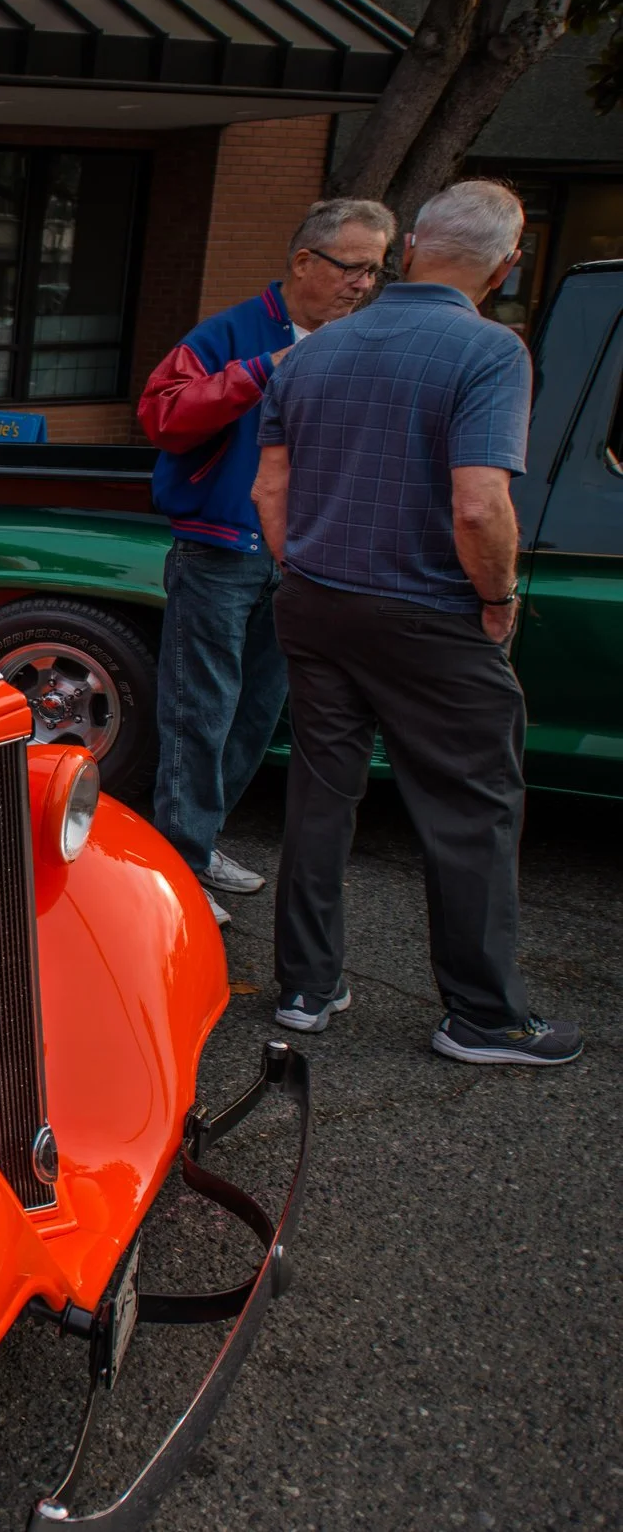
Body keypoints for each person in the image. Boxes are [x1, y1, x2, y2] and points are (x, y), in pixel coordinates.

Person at [250, 180, 580, 1065]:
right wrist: (499, 601)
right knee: (471, 806)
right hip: (428, 608)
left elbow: (268, 490)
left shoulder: (312, 353)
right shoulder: (491, 352)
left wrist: (302, 571)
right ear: (507, 264)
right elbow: (479, 507)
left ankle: (306, 989)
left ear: (407, 250)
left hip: (314, 600)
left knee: (322, 790)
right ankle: (482, 1016)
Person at [137, 198, 396, 926]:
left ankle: (200, 842)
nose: (362, 286)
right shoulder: (230, 333)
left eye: (374, 271)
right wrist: (262, 369)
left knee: (255, 713)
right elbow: (162, 415)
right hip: (220, 549)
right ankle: (179, 868)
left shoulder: (361, 341)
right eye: (351, 268)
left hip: (302, 557)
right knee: (201, 712)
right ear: (304, 262)